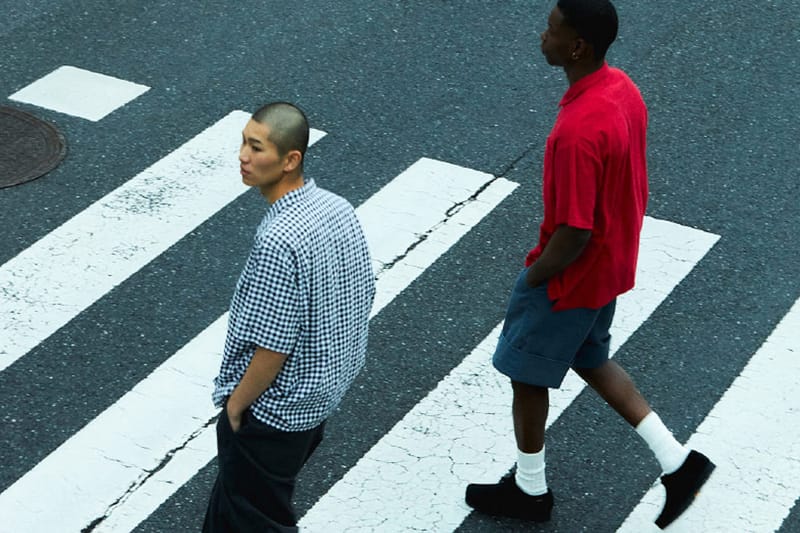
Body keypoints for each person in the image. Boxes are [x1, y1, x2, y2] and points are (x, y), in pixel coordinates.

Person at [465, 1, 714, 529]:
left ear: (577, 46)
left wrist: (534, 277)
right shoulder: (620, 86)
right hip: (611, 266)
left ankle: (531, 491)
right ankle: (677, 462)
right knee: (590, 358)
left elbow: (573, 230)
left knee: (525, 374)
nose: (542, 35)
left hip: (570, 278)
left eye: (552, 29)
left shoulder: (575, 132)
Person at [203, 102, 375, 532]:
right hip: (320, 393)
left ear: (290, 160)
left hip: (276, 408)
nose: (242, 155)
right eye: (243, 141)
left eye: (256, 147)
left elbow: (273, 344)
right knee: (235, 498)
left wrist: (235, 408)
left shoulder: (278, 239)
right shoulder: (337, 208)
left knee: (259, 516)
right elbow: (364, 292)